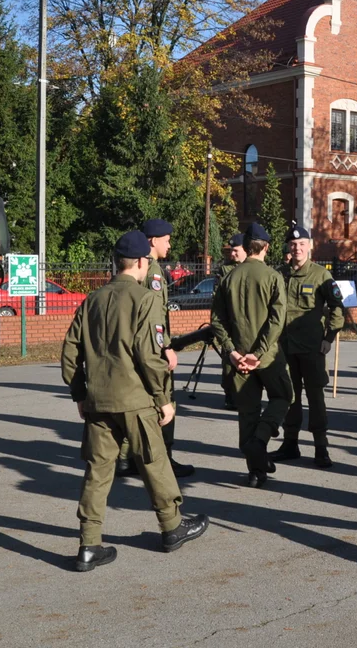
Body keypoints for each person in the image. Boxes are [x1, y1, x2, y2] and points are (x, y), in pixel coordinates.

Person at [61, 230, 209, 572]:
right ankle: (172, 526)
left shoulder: (92, 300)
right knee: (154, 462)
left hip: (98, 402)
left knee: (97, 472)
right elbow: (148, 354)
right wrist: (164, 398)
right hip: (136, 400)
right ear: (143, 262)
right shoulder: (145, 300)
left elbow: (70, 352)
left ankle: (88, 544)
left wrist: (79, 393)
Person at [210, 222, 293, 488]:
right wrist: (258, 353)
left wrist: (232, 351)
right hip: (266, 357)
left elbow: (217, 320)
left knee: (247, 412)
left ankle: (255, 471)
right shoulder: (272, 276)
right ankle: (261, 438)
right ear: (266, 247)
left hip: (238, 358)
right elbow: (277, 319)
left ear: (246, 247)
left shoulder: (229, 278)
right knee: (283, 395)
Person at [117, 219, 194, 478]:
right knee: (164, 397)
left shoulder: (142, 267)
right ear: (153, 241)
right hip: (152, 345)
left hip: (137, 343)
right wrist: (166, 347)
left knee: (139, 398)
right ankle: (164, 457)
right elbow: (156, 315)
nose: (169, 244)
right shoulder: (153, 271)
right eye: (167, 239)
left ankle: (126, 458)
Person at [270, 226, 345, 468]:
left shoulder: (321, 275)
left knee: (315, 397)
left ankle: (321, 447)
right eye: (293, 245)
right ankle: (290, 443)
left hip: (312, 348)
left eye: (302, 244)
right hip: (285, 347)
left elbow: (337, 308)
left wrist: (329, 338)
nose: (297, 248)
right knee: (290, 397)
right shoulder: (280, 274)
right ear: (288, 248)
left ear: (309, 246)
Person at [214, 233, 246, 412]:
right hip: (230, 321)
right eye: (231, 251)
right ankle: (230, 395)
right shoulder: (224, 271)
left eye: (236, 250)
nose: (232, 254)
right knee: (229, 361)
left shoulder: (253, 268)